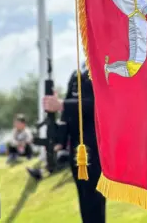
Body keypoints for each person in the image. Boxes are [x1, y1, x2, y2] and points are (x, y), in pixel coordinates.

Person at [42, 63, 106, 223]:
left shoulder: (104, 67)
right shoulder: (77, 72)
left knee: (94, 199)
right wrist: (60, 142)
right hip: (76, 148)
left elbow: (99, 104)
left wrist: (62, 104)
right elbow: (67, 115)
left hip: (96, 146)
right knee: (84, 198)